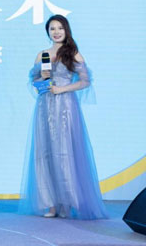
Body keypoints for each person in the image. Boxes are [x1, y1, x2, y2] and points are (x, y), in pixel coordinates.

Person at [19, 15, 108, 220]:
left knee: (65, 152)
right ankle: (50, 204)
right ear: (47, 32)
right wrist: (42, 79)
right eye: (52, 29)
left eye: (60, 28)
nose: (56, 32)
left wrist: (62, 89)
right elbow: (35, 83)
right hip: (44, 107)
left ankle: (67, 202)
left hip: (66, 107)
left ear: (66, 30)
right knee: (45, 153)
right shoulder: (42, 55)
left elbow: (85, 81)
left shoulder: (73, 53)